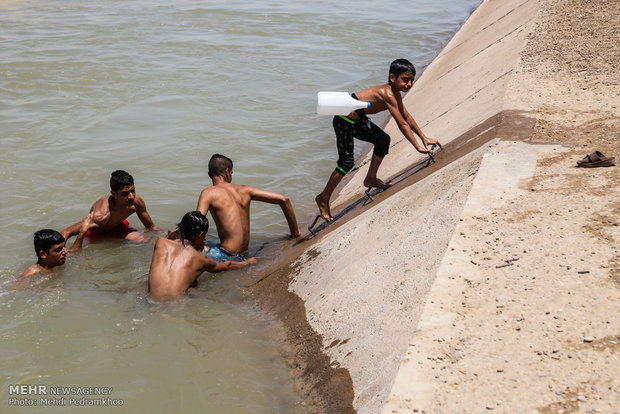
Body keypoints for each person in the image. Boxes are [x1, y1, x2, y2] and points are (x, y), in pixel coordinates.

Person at [315, 58, 439, 221]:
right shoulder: (386, 93)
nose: (409, 84)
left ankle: (370, 178)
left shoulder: (395, 94)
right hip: (344, 120)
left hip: (358, 119)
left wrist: (424, 137)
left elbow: (406, 116)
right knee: (346, 163)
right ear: (392, 78)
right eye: (405, 80)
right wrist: (417, 147)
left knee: (383, 140)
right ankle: (323, 198)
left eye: (411, 81)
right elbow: (401, 123)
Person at [195, 154, 300, 260]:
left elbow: (196, 223)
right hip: (243, 254)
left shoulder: (208, 193)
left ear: (209, 175)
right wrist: (295, 234)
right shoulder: (246, 190)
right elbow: (284, 200)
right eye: (232, 172)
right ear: (227, 172)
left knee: (186, 244)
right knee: (210, 241)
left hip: (225, 255)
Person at [148, 211, 256, 302]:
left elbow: (171, 238)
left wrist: (174, 234)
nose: (204, 240)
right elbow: (227, 265)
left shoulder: (161, 243)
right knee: (194, 284)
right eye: (204, 236)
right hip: (175, 304)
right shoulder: (200, 259)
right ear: (200, 235)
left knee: (192, 283)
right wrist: (247, 262)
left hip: (150, 301)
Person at [62, 170, 160, 243]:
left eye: (133, 190)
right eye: (125, 193)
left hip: (118, 227)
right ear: (113, 193)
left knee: (144, 241)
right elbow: (67, 231)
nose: (131, 196)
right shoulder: (102, 214)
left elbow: (151, 227)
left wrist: (165, 237)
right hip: (96, 232)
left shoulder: (137, 202)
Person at [15, 213, 96, 289]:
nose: (65, 252)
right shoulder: (34, 272)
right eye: (58, 249)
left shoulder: (56, 262)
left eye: (63, 247)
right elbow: (15, 291)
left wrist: (83, 232)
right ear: (43, 254)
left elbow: (74, 252)